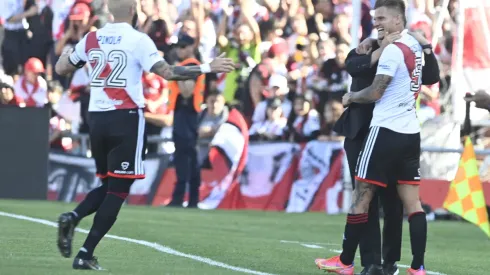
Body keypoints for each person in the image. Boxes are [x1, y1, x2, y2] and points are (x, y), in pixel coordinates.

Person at [54, 0, 235, 270]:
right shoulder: (139, 39)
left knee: (108, 184)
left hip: (97, 119)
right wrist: (208, 67)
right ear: (135, 13)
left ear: (111, 13)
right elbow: (169, 73)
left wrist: (69, 50)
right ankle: (85, 252)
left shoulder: (92, 38)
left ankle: (74, 216)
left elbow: (61, 68)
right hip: (125, 118)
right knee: (118, 190)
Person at [314, 1, 428, 275]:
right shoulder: (414, 47)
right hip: (410, 132)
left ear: (399, 20)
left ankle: (345, 261)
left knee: (361, 196)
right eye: (374, 18)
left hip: (383, 132)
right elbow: (355, 64)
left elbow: (376, 91)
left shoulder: (393, 51)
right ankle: (417, 267)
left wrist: (352, 96)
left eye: (382, 18)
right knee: (413, 203)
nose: (376, 22)